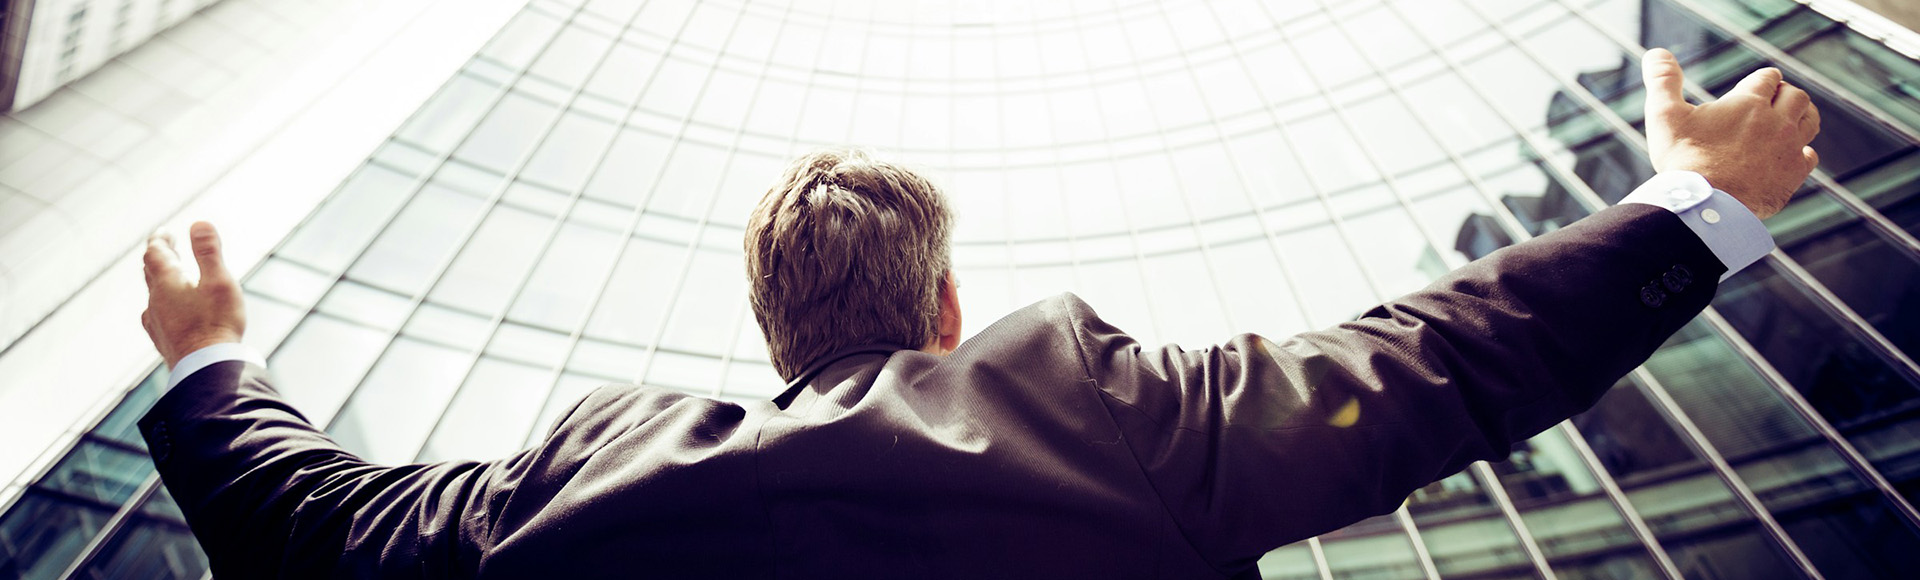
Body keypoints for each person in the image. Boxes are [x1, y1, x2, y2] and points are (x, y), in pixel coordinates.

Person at [137, 49, 1818, 578]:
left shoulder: (584, 478)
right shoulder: (1084, 406)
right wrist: (1691, 206)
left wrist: (212, 356)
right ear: (947, 304)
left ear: (776, 335)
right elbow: (1428, 364)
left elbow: (312, 530)